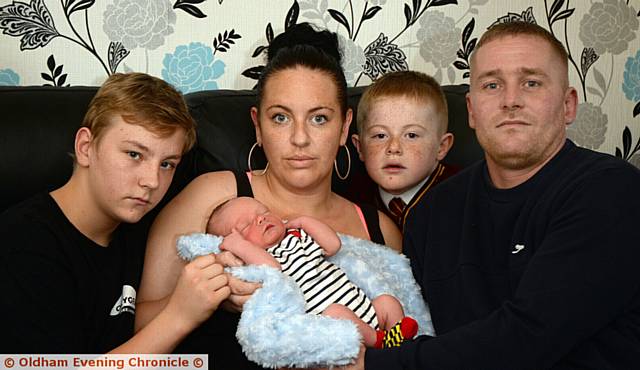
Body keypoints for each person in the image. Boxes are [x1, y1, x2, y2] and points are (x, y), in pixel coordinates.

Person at [340, 21, 640, 369]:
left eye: (531, 83)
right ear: (471, 109)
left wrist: (373, 365)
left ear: (568, 105)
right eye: (492, 85)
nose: (510, 100)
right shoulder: (432, 213)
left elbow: (527, 339)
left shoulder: (610, 192)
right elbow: (413, 326)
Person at [137, 23, 402, 369]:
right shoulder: (213, 195)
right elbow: (142, 324)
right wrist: (213, 292)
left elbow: (403, 341)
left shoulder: (379, 229)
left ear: (345, 127)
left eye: (319, 118)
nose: (300, 139)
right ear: (258, 126)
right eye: (280, 118)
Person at [0, 72, 230, 353]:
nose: (152, 181)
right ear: (86, 148)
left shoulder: (137, 224)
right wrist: (178, 317)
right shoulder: (24, 244)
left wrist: (215, 291)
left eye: (167, 164)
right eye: (134, 154)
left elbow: (125, 321)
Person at [207, 196, 418, 349]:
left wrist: (304, 222)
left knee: (387, 301)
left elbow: (333, 245)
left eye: (263, 212)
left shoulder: (298, 236)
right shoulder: (255, 261)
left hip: (364, 308)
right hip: (334, 323)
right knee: (335, 312)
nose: (260, 219)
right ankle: (378, 341)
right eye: (245, 225)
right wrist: (240, 248)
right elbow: (272, 269)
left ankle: (400, 343)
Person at [350, 71, 456, 230]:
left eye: (411, 135)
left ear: (441, 147)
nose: (393, 148)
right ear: (360, 147)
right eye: (380, 136)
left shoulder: (465, 198)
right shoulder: (351, 200)